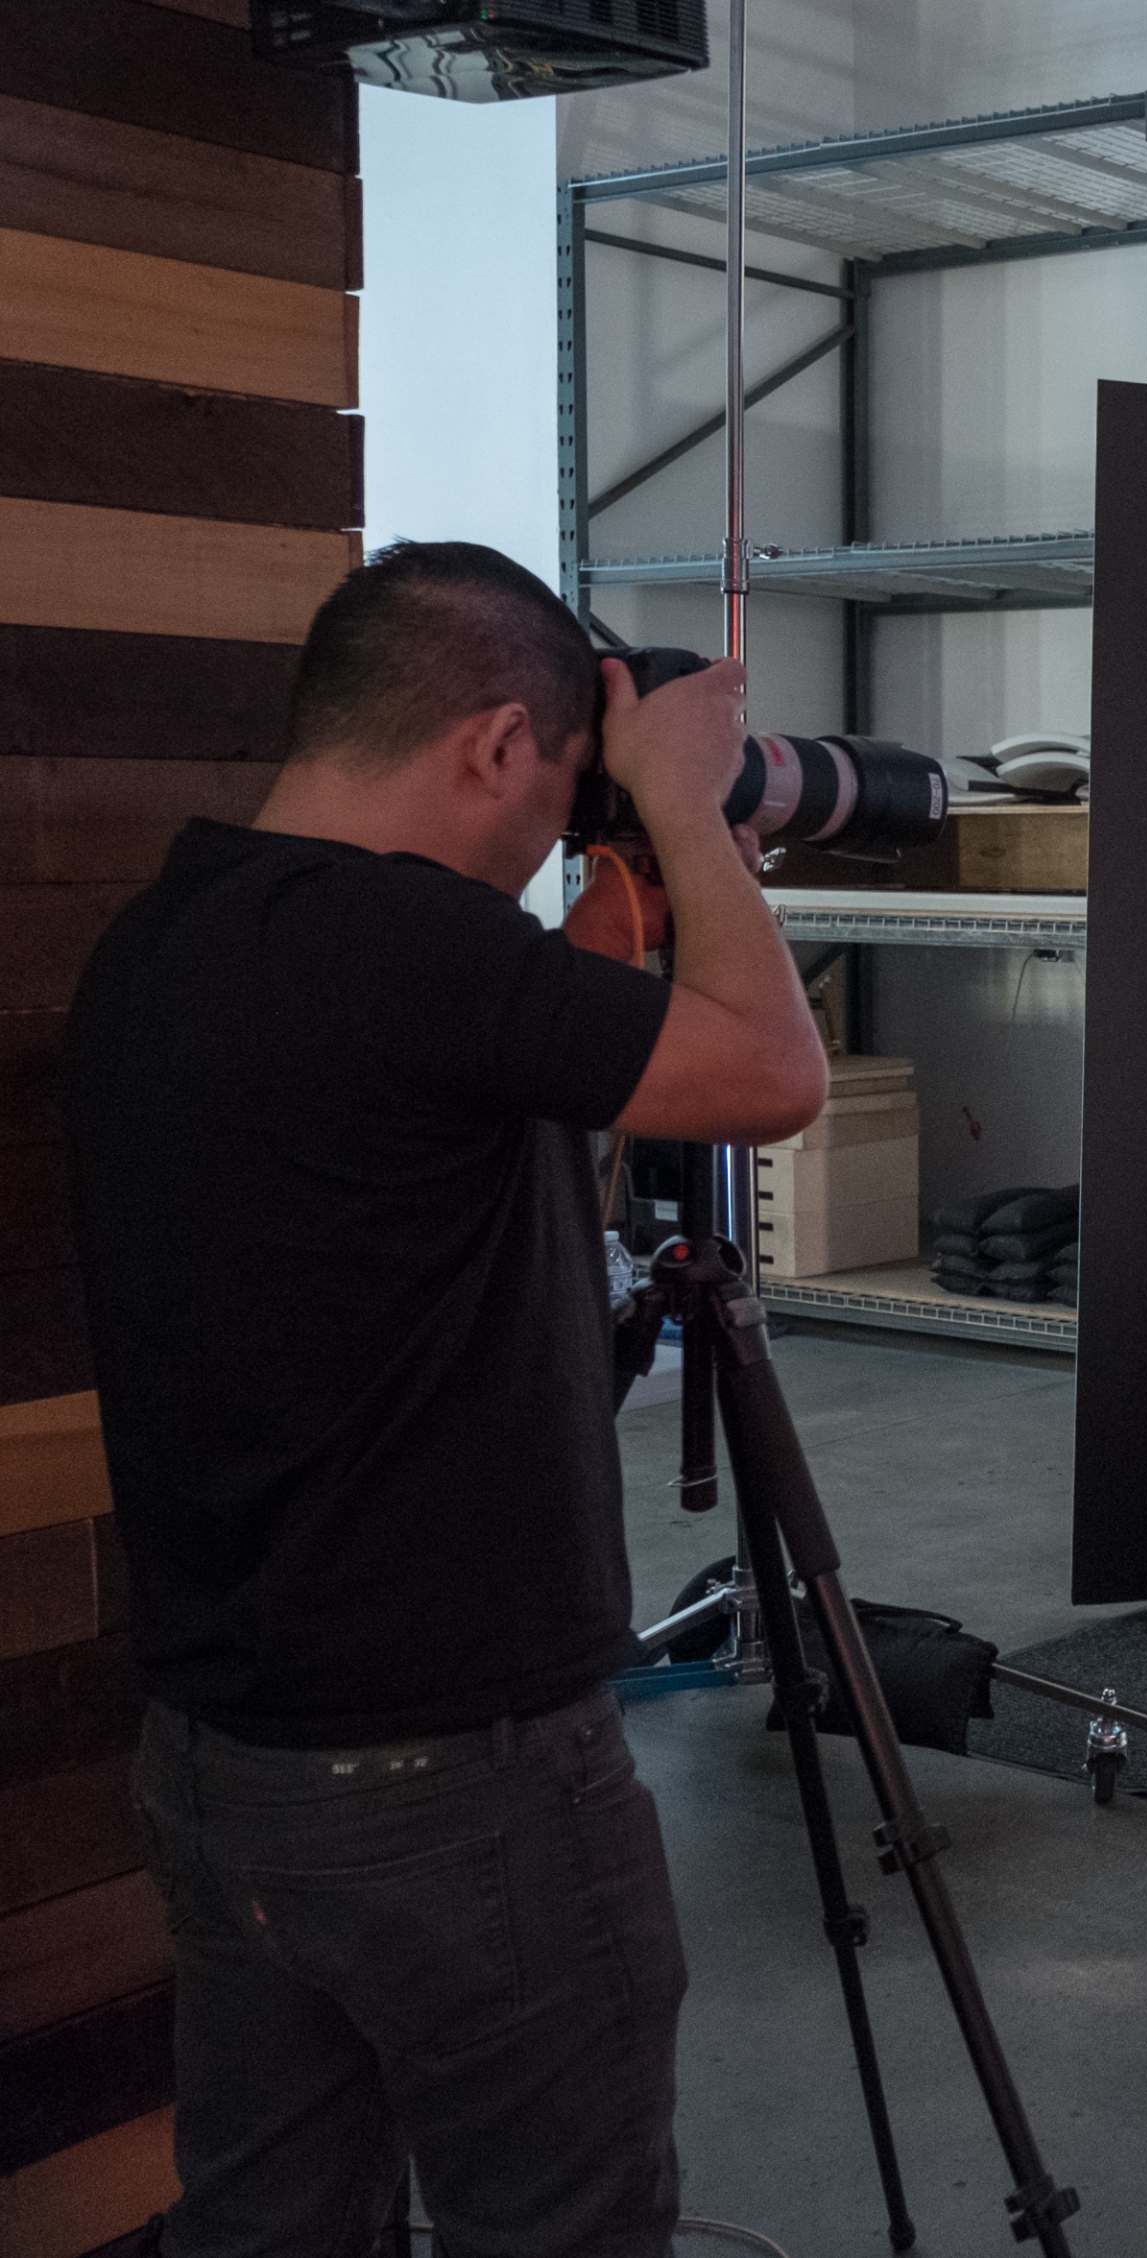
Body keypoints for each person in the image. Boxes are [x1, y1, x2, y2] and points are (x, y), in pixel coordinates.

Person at [63, 542, 828, 2258]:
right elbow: (774, 1073)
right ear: (492, 742)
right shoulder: (417, 950)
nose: (550, 842)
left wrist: (606, 926)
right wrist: (687, 804)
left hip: (226, 1760)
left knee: (270, 2226)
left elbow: (424, 1109)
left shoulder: (167, 937)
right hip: (458, 1780)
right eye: (559, 798)